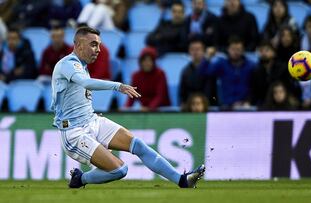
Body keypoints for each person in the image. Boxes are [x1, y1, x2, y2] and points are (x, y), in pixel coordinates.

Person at [51, 27, 205, 189]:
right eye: (93, 45)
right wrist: (118, 86)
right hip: (74, 132)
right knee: (120, 170)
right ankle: (80, 178)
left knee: (138, 145)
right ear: (79, 45)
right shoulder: (67, 64)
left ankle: (182, 180)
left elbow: (77, 97)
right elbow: (86, 83)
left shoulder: (82, 66)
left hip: (92, 121)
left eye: (99, 45)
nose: (98, 50)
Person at [125, 47, 170, 111]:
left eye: (149, 60)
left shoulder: (160, 74)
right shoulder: (136, 76)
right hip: (145, 110)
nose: (147, 63)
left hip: (161, 110)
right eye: (144, 60)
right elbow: (132, 96)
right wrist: (125, 109)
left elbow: (160, 96)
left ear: (153, 62)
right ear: (140, 62)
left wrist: (150, 108)